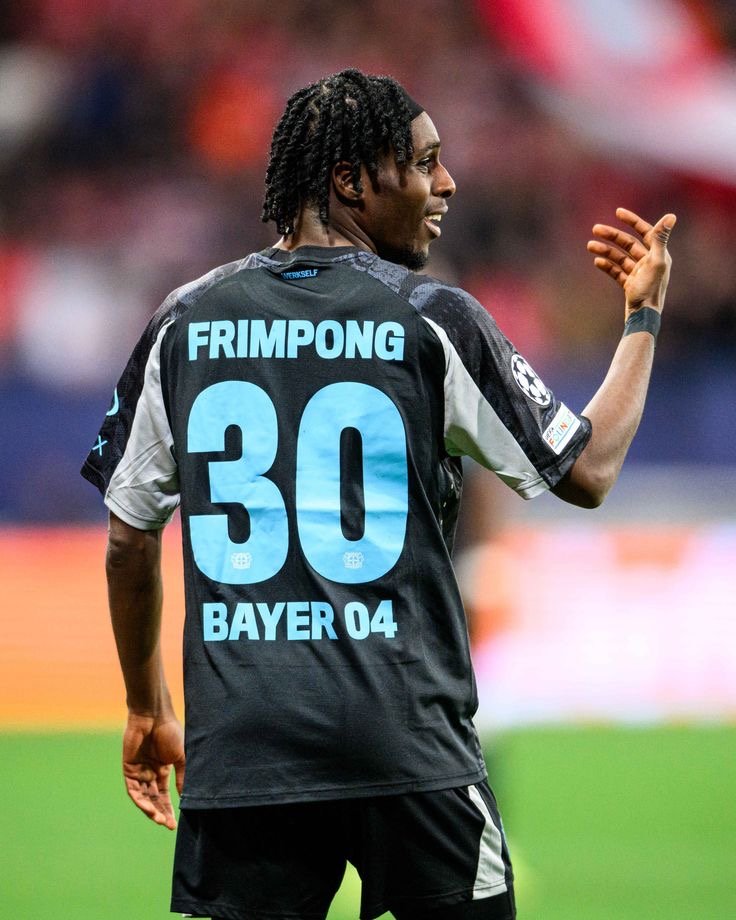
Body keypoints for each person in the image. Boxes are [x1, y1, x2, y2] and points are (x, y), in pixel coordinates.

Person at [82, 68, 675, 920]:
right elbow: (587, 470)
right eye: (424, 163)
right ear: (351, 181)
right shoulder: (431, 316)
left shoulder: (184, 319)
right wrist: (643, 319)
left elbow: (128, 537)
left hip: (245, 750)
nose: (447, 183)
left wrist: (146, 706)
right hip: (406, 743)